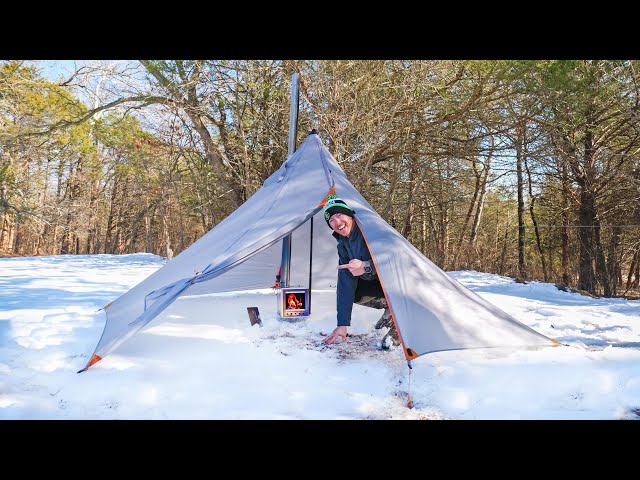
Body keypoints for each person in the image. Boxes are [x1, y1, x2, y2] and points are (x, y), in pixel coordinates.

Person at [321, 195, 400, 350]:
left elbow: (398, 261)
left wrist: (367, 266)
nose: (337, 222)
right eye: (331, 221)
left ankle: (400, 316)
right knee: (353, 292)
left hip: (400, 288)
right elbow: (345, 284)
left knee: (386, 346)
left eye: (339, 215)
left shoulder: (370, 231)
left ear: (349, 214)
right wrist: (342, 324)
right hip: (379, 284)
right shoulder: (343, 244)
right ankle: (390, 309)